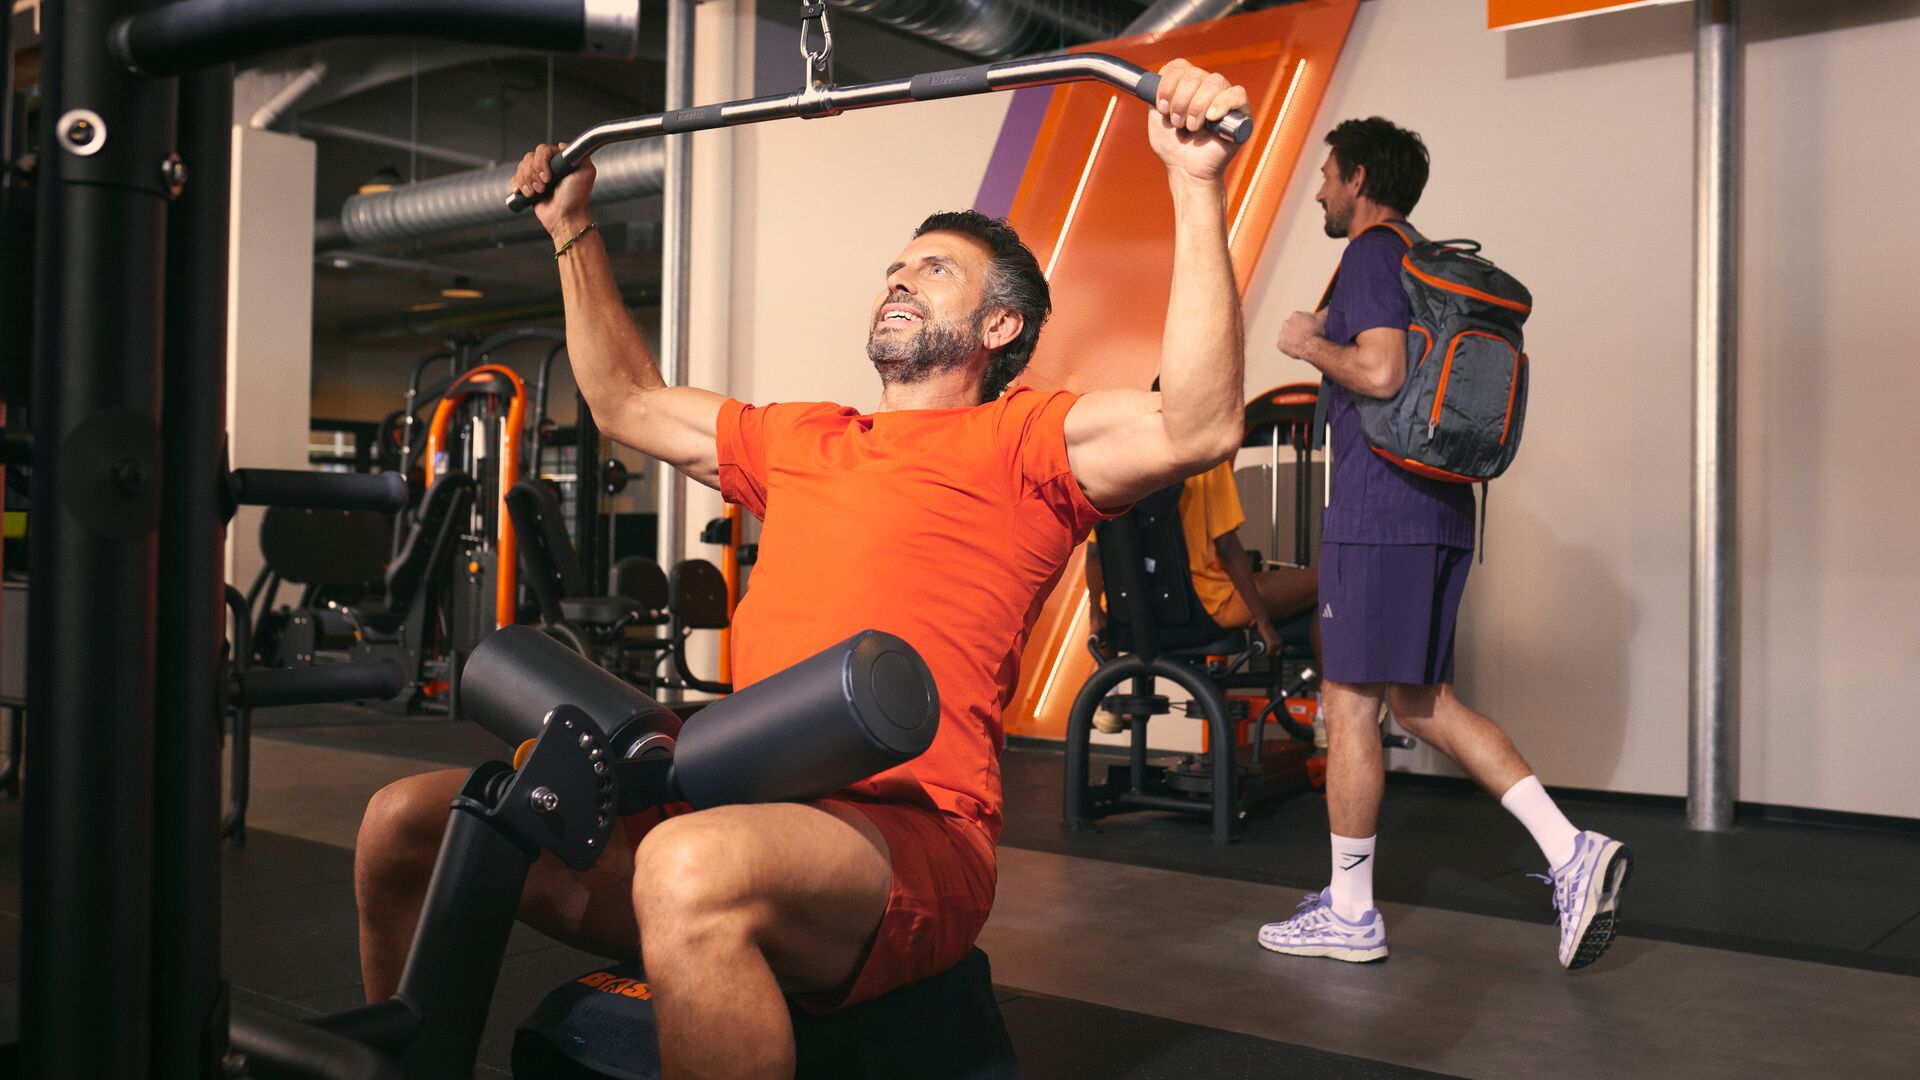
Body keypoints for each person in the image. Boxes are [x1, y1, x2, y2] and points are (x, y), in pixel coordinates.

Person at [353, 61, 1253, 1080]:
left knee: (690, 870)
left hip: (902, 841)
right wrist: (570, 228)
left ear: (1000, 328)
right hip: (725, 806)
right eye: (895, 268)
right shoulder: (806, 437)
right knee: (410, 826)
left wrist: (1194, 181)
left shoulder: (1029, 441)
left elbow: (1200, 420)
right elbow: (630, 404)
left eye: (935, 271)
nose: (899, 281)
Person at [1256, 117, 1631, 970]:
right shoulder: (1423, 259)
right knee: (1424, 702)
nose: (1318, 189)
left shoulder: (1372, 254)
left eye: (1325, 175)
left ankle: (1352, 913)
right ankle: (1572, 853)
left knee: (1351, 704)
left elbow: (1383, 372)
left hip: (1380, 513)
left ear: (1356, 179)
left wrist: (1306, 341)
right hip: (1439, 511)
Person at [1081, 450, 1320, 736]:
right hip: (1205, 611)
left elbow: (1095, 553)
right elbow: (1227, 549)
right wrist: (1263, 623)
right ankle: (1328, 706)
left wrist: (1097, 614)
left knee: (1116, 605)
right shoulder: (1206, 459)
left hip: (1129, 616)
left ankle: (1107, 689)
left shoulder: (1116, 466)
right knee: (1330, 581)